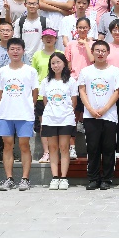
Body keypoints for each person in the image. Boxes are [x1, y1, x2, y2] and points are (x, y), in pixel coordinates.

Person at [0, 37, 39, 191]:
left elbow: (35, 92)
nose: (15, 52)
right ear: (7, 51)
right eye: (12, 49)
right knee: (7, 146)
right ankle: (9, 179)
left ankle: (25, 179)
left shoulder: (30, 71)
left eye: (18, 49)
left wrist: (29, 107)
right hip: (5, 114)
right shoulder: (2, 71)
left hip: (24, 114)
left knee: (24, 145)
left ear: (23, 51)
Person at [78, 39, 119, 190]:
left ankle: (107, 179)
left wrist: (105, 109)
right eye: (97, 50)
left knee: (109, 148)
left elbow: (117, 92)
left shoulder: (115, 71)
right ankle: (93, 178)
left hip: (109, 115)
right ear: (92, 52)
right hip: (90, 116)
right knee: (92, 148)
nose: (100, 53)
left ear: (108, 53)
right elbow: (82, 90)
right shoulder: (86, 71)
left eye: (103, 51)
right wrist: (90, 109)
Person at [40, 52, 76, 190]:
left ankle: (64, 178)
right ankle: (55, 177)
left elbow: (74, 102)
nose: (56, 65)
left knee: (64, 147)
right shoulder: (46, 81)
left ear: (64, 63)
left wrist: (64, 112)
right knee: (53, 148)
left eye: (58, 62)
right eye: (53, 63)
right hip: (50, 119)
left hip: (66, 118)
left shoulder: (71, 81)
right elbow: (45, 101)